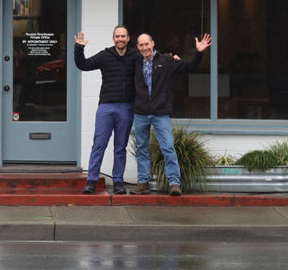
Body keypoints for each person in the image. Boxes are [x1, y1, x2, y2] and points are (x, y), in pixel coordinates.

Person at [131, 33, 212, 196]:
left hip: (160, 113)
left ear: (153, 43)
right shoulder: (135, 62)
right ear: (138, 47)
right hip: (141, 113)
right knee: (142, 149)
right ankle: (143, 182)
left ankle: (174, 183)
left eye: (147, 44)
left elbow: (190, 67)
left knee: (167, 147)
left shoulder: (166, 61)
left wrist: (199, 53)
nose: (145, 48)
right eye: (141, 45)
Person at [74, 26, 139, 195]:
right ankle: (91, 181)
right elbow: (83, 64)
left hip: (126, 107)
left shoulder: (135, 56)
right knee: (99, 144)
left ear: (128, 38)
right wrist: (79, 48)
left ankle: (118, 182)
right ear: (113, 39)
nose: (120, 39)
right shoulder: (105, 55)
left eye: (123, 36)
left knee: (120, 147)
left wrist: (171, 57)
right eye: (117, 36)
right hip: (106, 107)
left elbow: (152, 61)